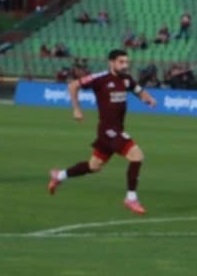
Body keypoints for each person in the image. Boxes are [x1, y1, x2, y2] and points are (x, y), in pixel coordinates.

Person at [47, 49, 156, 213]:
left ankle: (59, 175)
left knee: (94, 166)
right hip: (109, 131)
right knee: (137, 156)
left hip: (113, 131)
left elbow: (139, 91)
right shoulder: (100, 78)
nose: (125, 65)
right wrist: (76, 109)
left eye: (127, 62)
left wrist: (148, 99)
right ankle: (131, 198)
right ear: (111, 62)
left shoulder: (126, 79)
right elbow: (73, 86)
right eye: (121, 62)